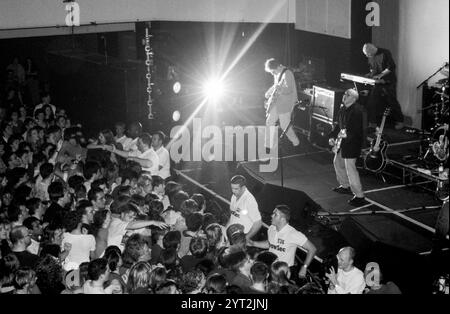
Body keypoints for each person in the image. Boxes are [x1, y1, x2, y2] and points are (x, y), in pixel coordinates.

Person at [248, 205, 317, 280]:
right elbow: (271, 244)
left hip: (284, 272)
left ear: (283, 219)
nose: (271, 216)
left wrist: (304, 267)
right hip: (271, 268)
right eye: (273, 213)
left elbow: (312, 249)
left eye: (275, 214)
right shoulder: (271, 229)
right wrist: (253, 243)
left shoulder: (293, 234)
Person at [329, 89, 367, 207]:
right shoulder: (342, 109)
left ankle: (359, 196)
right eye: (344, 94)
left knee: (350, 169)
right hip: (343, 142)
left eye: (347, 95)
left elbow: (360, 130)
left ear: (354, 98)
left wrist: (348, 135)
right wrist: (332, 136)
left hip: (352, 143)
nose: (344, 96)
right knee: (337, 162)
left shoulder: (358, 111)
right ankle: (345, 186)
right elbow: (338, 126)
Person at [362, 43, 404, 130]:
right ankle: (372, 123)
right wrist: (369, 75)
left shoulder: (385, 53)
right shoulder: (371, 57)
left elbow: (391, 67)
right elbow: (373, 70)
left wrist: (380, 75)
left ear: (371, 50)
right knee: (371, 100)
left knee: (392, 101)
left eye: (368, 54)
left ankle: (400, 121)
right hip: (378, 82)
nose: (367, 56)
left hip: (389, 81)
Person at [264, 58, 300, 149]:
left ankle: (296, 142)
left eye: (271, 71)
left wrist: (278, 89)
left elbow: (288, 89)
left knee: (285, 125)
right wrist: (269, 92)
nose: (271, 73)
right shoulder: (277, 73)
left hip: (286, 104)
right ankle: (268, 145)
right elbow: (276, 85)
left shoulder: (287, 73)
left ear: (275, 68)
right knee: (270, 121)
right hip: (277, 102)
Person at [228, 175, 262, 241]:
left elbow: (258, 223)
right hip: (233, 235)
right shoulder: (234, 196)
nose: (233, 191)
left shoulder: (249, 200)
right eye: (232, 188)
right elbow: (233, 215)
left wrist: (245, 238)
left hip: (242, 236)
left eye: (236, 189)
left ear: (243, 188)